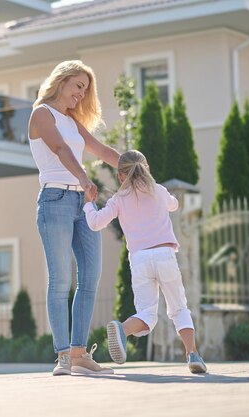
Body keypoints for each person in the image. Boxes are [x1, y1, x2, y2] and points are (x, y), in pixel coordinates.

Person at [28, 60, 120, 376]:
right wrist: (83, 178)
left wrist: (137, 170)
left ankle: (80, 354)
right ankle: (63, 355)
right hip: (55, 200)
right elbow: (58, 148)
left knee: (91, 275)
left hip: (81, 203)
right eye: (78, 86)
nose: (81, 94)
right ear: (63, 81)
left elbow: (103, 151)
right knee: (61, 280)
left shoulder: (70, 120)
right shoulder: (42, 113)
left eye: (85, 89)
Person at [83, 150, 208, 374]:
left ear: (121, 176)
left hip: (139, 259)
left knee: (147, 314)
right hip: (164, 255)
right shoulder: (158, 191)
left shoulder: (118, 200)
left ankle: (122, 329)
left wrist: (88, 204)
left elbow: (95, 223)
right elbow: (174, 205)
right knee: (179, 307)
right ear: (146, 169)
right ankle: (193, 355)